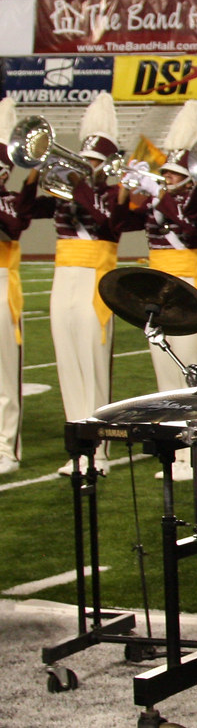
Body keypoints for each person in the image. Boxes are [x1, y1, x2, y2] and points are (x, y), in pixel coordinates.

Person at [17, 92, 123, 475]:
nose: (85, 166)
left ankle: (101, 450)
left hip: (95, 279)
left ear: (106, 165)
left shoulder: (112, 194)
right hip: (64, 277)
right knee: (67, 360)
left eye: (93, 161)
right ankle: (79, 446)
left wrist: (81, 183)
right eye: (84, 159)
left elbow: (108, 218)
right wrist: (32, 174)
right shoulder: (66, 195)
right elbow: (25, 212)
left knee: (93, 362)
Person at [111, 100, 197, 481]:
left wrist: (159, 196)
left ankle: (196, 451)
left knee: (190, 372)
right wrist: (126, 188)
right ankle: (176, 450)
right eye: (166, 172)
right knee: (165, 376)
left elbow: (189, 227)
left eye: (174, 173)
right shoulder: (162, 199)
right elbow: (118, 221)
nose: (167, 177)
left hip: (188, 291)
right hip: (158, 291)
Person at [0, 98, 30, 474]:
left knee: (4, 371)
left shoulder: (10, 201)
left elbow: (13, 226)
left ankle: (6, 446)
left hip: (2, 284)